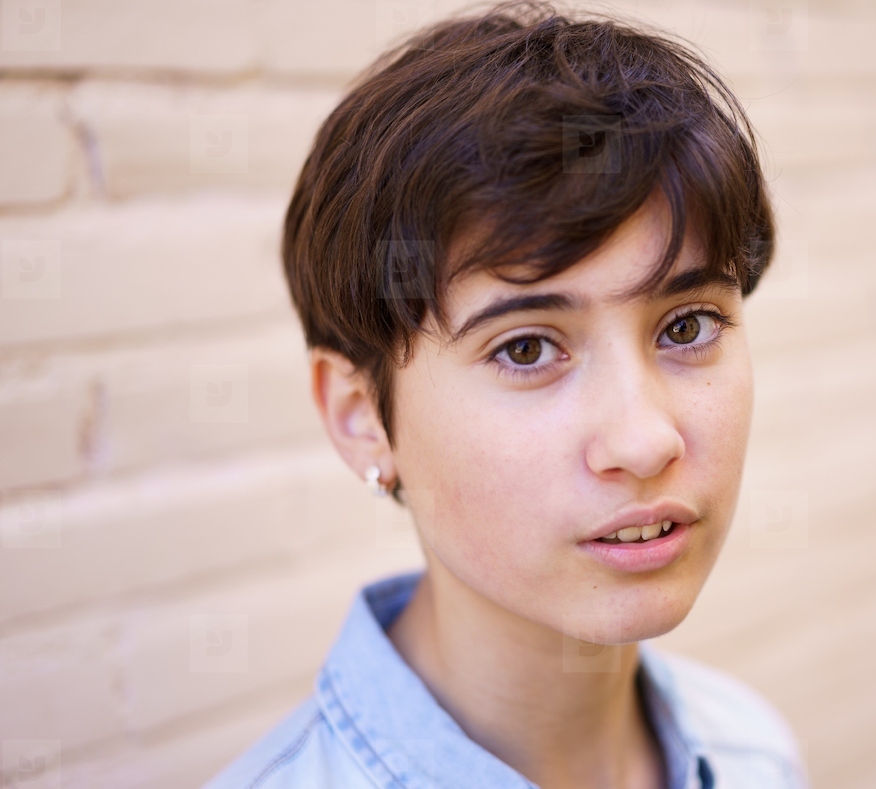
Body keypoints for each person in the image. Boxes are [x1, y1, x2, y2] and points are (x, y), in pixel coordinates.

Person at [205, 2, 807, 787]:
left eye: (687, 326)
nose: (645, 439)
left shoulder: (752, 755)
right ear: (361, 416)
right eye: (527, 348)